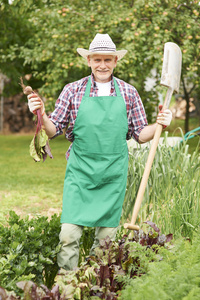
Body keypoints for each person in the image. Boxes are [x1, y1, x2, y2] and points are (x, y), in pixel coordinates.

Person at [27, 33, 172, 271]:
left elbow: (141, 135)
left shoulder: (129, 93)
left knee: (105, 243)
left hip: (112, 175)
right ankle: (66, 287)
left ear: (115, 61)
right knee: (68, 235)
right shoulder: (72, 90)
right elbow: (53, 130)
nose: (102, 65)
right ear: (89, 62)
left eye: (108, 59)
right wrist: (41, 113)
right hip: (80, 172)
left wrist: (160, 125)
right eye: (97, 60)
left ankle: (92, 285)